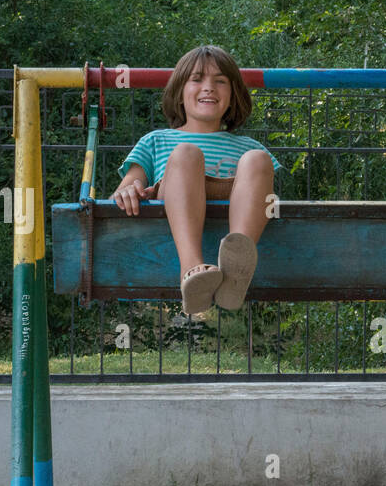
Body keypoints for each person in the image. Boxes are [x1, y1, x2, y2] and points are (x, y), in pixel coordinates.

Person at [110, 45, 283, 313]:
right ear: (179, 93)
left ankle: (237, 264)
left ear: (233, 94)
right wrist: (129, 191)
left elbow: (268, 200)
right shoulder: (157, 140)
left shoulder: (247, 146)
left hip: (234, 204)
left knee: (258, 158)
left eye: (220, 81)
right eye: (197, 79)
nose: (209, 87)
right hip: (177, 199)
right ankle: (191, 268)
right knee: (187, 154)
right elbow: (126, 188)